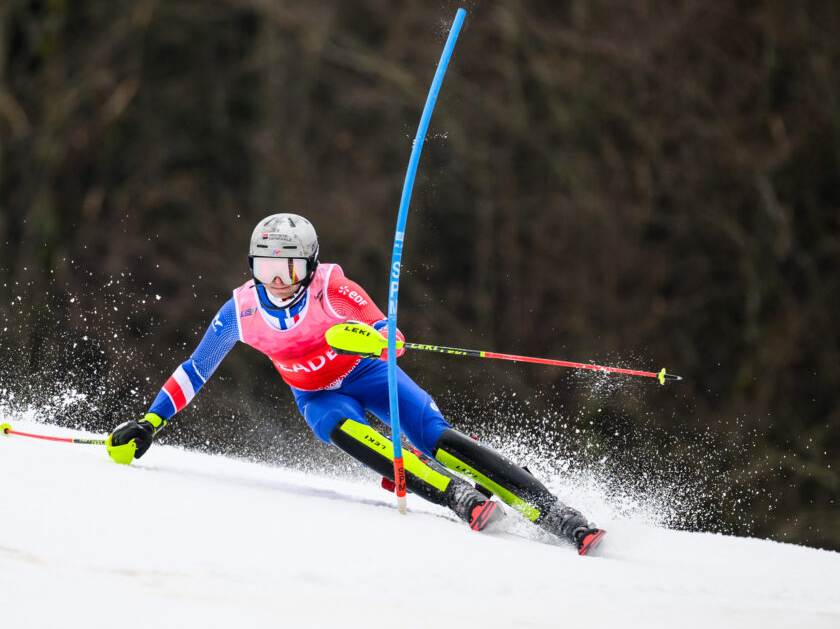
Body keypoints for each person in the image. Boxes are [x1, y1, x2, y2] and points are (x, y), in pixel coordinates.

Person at [107, 213, 605, 554]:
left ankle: (558, 515)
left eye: (289, 267)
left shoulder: (331, 285)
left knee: (437, 437)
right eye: (265, 267)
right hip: (317, 395)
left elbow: (382, 327)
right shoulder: (240, 311)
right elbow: (196, 369)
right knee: (342, 429)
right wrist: (150, 424)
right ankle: (456, 497)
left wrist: (384, 341)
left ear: (308, 265)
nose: (277, 281)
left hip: (366, 373)